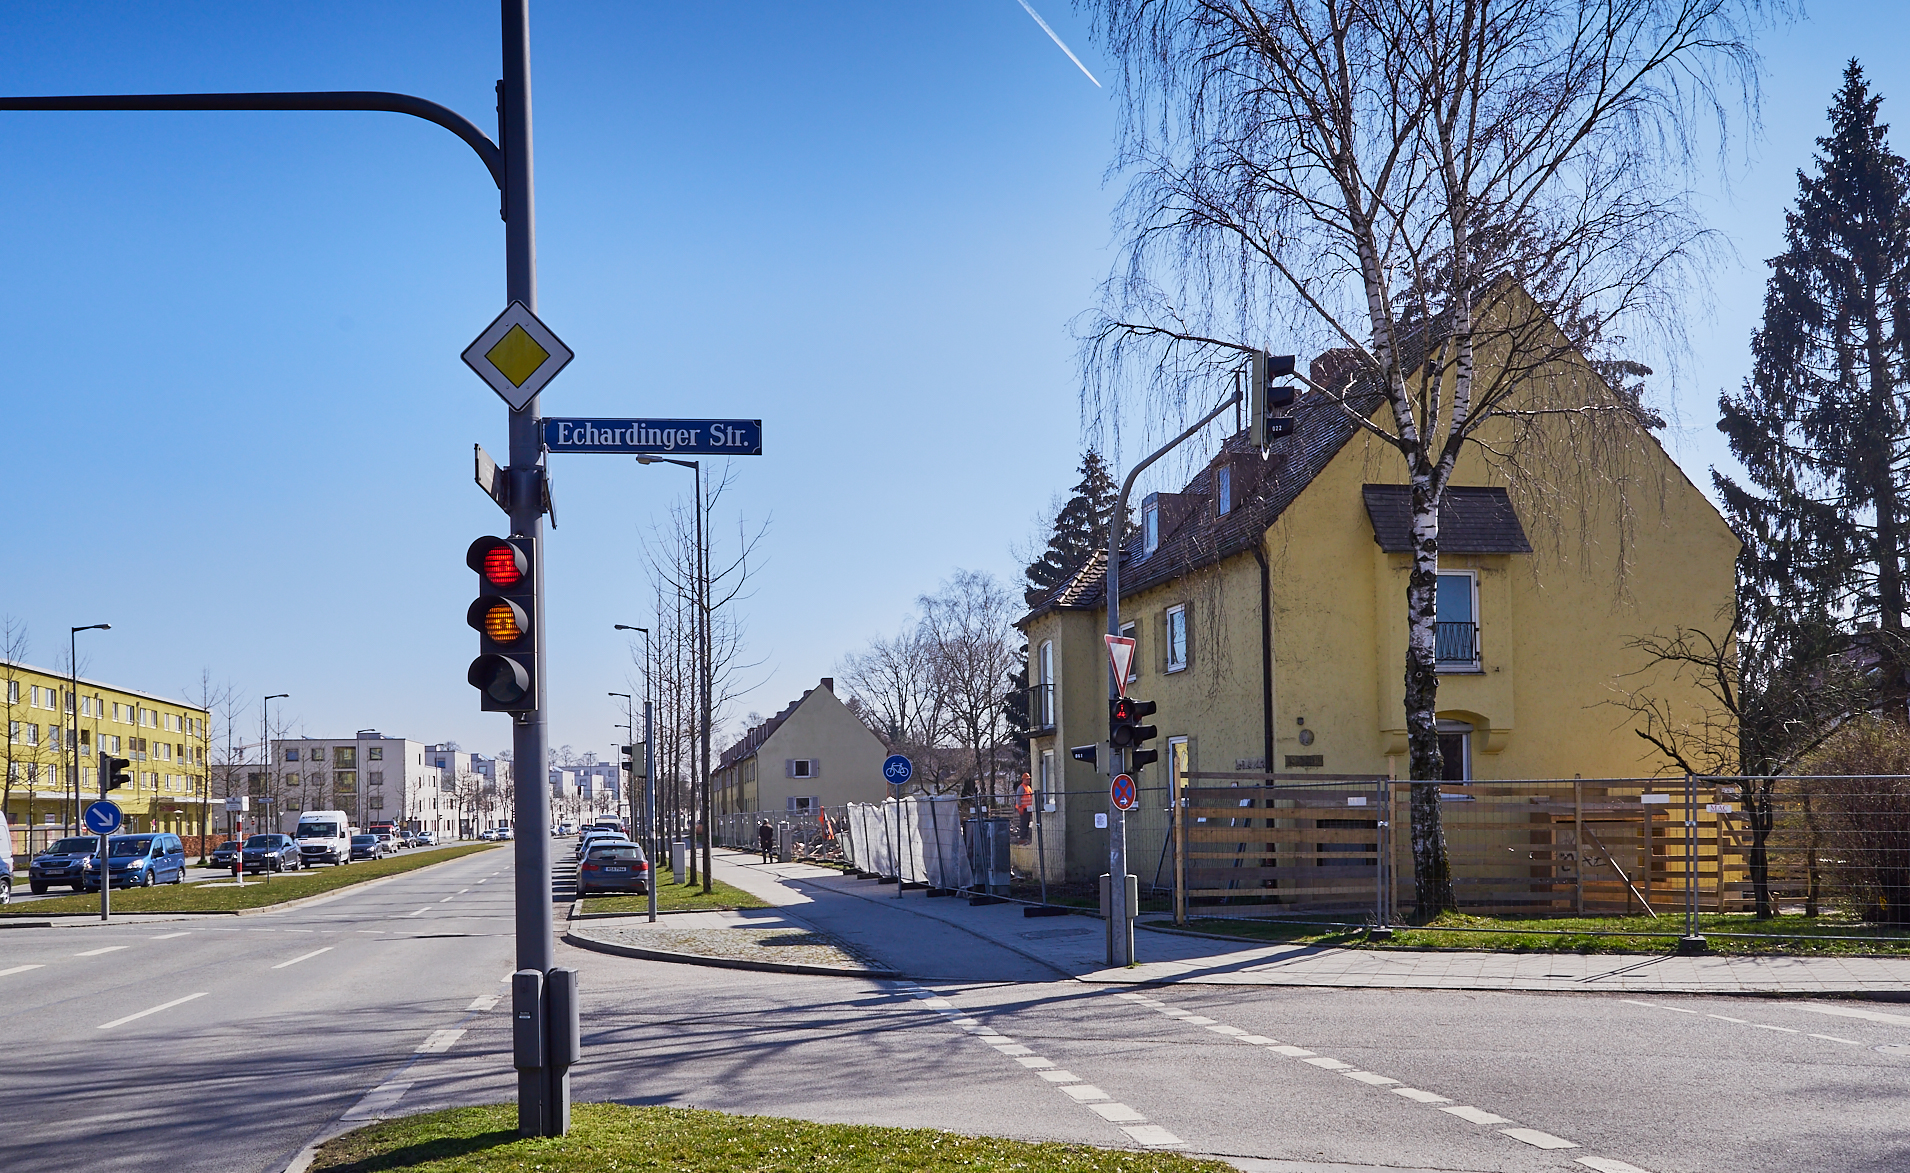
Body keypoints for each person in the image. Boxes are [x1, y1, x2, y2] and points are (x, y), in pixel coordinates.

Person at [1015, 773, 1035, 843]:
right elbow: (1018, 797)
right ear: (1023, 780)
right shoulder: (1021, 787)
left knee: (1027, 823)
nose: (1028, 781)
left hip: (1028, 808)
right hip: (1023, 809)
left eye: (1029, 779)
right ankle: (1022, 837)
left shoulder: (1028, 787)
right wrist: (1020, 807)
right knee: (1023, 823)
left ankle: (1025, 836)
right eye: (1027, 779)